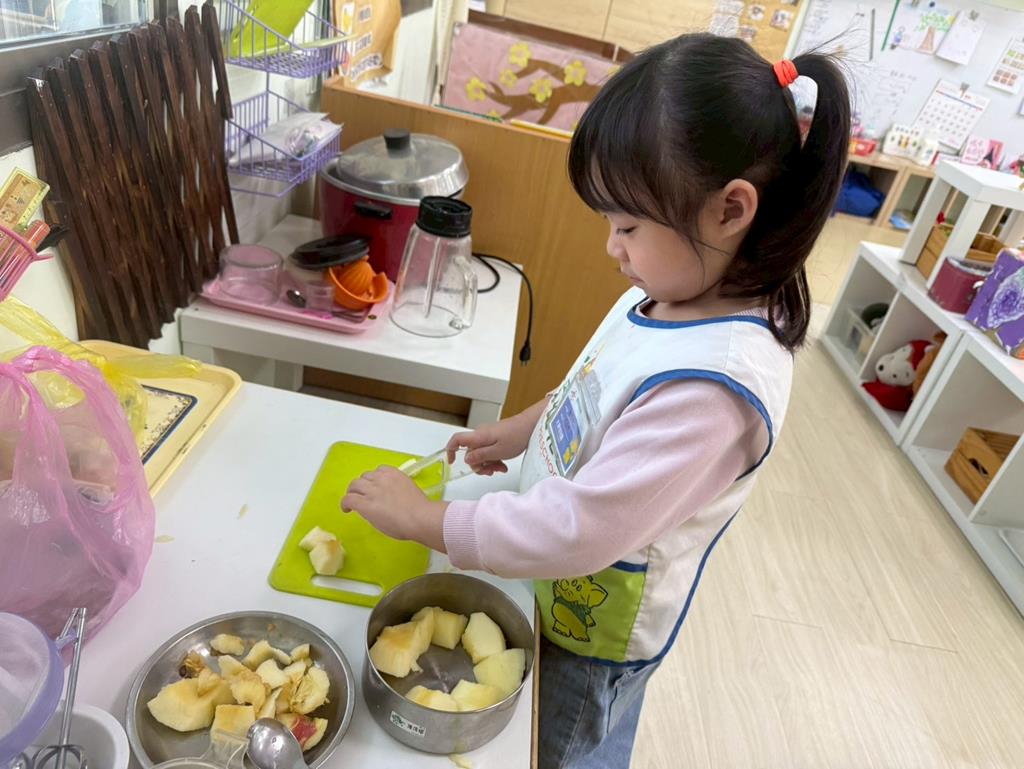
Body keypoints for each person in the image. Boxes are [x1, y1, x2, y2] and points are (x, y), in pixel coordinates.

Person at [342, 33, 851, 769]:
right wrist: (527, 427)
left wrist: (428, 521)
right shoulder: (672, 288)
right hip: (551, 583)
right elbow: (597, 383)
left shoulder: (714, 390)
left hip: (592, 633)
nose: (613, 246)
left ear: (730, 210)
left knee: (565, 744)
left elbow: (582, 527)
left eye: (628, 226)